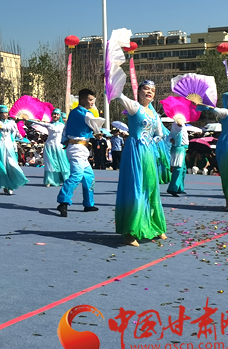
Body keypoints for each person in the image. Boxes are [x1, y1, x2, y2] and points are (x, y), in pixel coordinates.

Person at [114, 81, 168, 246]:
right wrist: (108, 80)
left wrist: (152, 141)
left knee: (151, 188)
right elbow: (118, 95)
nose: (149, 92)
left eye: (153, 90)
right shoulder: (134, 107)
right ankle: (130, 231)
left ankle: (155, 225)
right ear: (139, 91)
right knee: (136, 188)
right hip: (135, 152)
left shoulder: (155, 114)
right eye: (146, 89)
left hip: (148, 153)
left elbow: (160, 134)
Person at [56, 89, 104, 217]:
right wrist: (98, 128)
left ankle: (88, 204)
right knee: (76, 176)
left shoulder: (73, 113)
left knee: (88, 177)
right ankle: (63, 202)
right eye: (90, 100)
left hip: (78, 148)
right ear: (83, 100)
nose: (92, 102)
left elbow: (65, 129)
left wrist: (64, 141)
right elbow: (96, 126)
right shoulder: (86, 114)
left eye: (93, 100)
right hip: (77, 149)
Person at [0, 106, 29, 195]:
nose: (4, 114)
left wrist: (19, 138)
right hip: (0, 146)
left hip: (9, 146)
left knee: (12, 164)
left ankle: (15, 181)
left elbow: (15, 132)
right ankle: (6, 186)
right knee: (3, 166)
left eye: (5, 112)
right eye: (2, 113)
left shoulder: (11, 123)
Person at [35, 108, 69, 187]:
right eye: (54, 114)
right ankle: (49, 180)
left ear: (59, 116)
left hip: (59, 146)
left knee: (62, 162)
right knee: (49, 163)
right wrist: (27, 119)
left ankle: (66, 179)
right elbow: (38, 122)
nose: (55, 116)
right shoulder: (49, 124)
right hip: (49, 146)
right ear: (51, 115)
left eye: (57, 114)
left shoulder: (63, 126)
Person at [166, 117, 189, 197]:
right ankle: (173, 188)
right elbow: (178, 130)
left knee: (183, 169)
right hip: (179, 147)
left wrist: (171, 138)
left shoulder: (178, 125)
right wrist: (180, 124)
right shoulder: (178, 124)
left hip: (182, 147)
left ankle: (179, 187)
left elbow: (170, 134)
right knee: (178, 168)